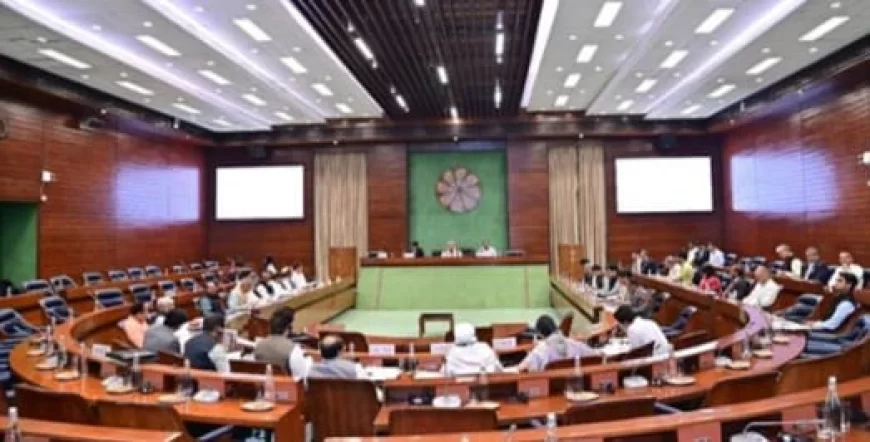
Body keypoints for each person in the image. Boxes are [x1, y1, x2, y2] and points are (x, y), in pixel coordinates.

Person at [516, 315, 598, 372]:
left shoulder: (541, 349)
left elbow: (522, 369)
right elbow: (595, 355)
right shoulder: (574, 344)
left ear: (540, 334)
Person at [253, 308, 311, 378]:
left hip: (266, 386)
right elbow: (302, 375)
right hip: (288, 387)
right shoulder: (293, 349)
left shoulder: (259, 346)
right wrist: (309, 361)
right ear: (288, 328)